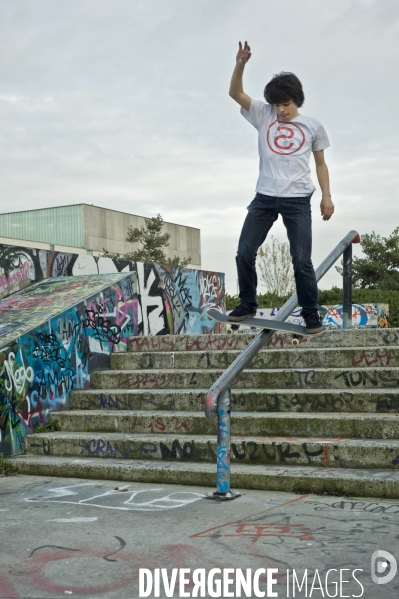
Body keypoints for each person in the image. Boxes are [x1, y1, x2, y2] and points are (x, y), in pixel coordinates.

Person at [228, 41, 334, 333]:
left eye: (285, 104)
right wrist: (240, 64)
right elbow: (235, 93)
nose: (281, 111)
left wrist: (326, 196)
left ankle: (311, 315)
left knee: (301, 261)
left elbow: (321, 164)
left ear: (296, 100)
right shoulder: (264, 115)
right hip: (264, 197)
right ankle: (247, 303)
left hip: (298, 199)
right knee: (244, 252)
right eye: (277, 105)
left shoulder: (313, 126)